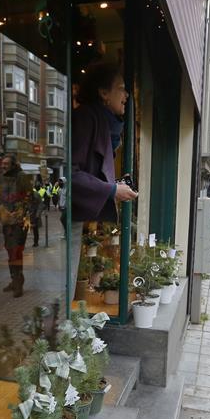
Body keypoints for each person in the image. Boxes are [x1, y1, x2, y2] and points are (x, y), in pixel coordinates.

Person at [70, 62, 138, 295]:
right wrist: (111, 190)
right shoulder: (86, 119)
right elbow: (69, 174)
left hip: (81, 221)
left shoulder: (103, 124)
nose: (126, 95)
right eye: (121, 88)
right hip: (72, 223)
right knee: (71, 286)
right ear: (103, 93)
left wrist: (113, 186)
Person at [0, 153, 33, 298]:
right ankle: (14, 279)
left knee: (16, 252)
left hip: (19, 222)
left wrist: (21, 211)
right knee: (10, 251)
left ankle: (18, 282)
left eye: (6, 164)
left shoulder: (22, 177)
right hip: (6, 221)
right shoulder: (1, 179)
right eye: (2, 163)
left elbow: (31, 196)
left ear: (13, 165)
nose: (3, 166)